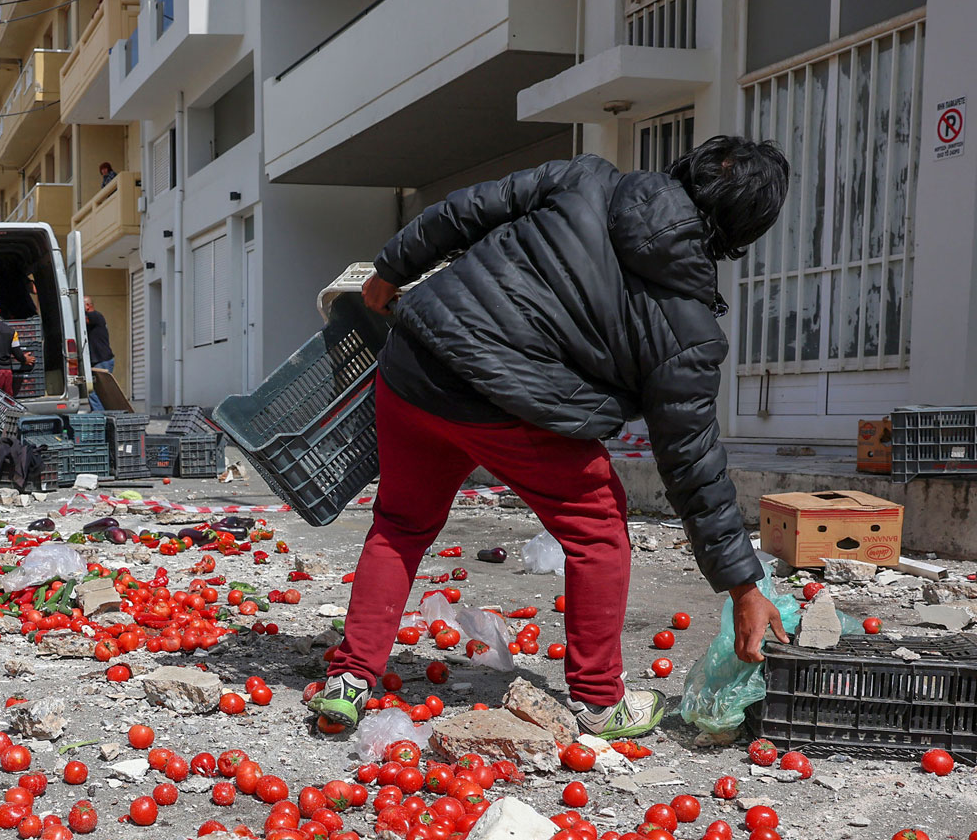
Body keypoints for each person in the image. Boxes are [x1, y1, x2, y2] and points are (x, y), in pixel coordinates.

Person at [310, 137, 792, 740]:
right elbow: (692, 460)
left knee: (401, 523)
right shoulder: (689, 326)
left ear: (689, 168)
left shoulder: (587, 180)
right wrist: (743, 585)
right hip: (508, 406)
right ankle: (599, 700)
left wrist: (389, 271)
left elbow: (464, 210)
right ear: (744, 229)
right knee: (598, 528)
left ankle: (350, 679)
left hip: (417, 366)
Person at [84, 296, 114, 410]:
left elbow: (84, 320)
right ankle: (100, 414)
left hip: (102, 360)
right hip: (101, 360)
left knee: (95, 391)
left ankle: (99, 416)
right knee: (97, 392)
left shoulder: (94, 315)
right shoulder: (95, 318)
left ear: (88, 306)